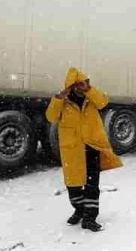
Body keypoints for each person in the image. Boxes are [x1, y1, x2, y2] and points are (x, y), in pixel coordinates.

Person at [45, 68, 122, 232]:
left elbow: (103, 102)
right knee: (73, 185)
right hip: (72, 151)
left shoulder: (92, 98)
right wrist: (59, 98)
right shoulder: (63, 103)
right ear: (71, 87)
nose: (82, 87)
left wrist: (89, 89)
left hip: (92, 148)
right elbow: (51, 117)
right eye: (78, 85)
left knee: (92, 185)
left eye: (85, 84)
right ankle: (79, 210)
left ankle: (89, 218)